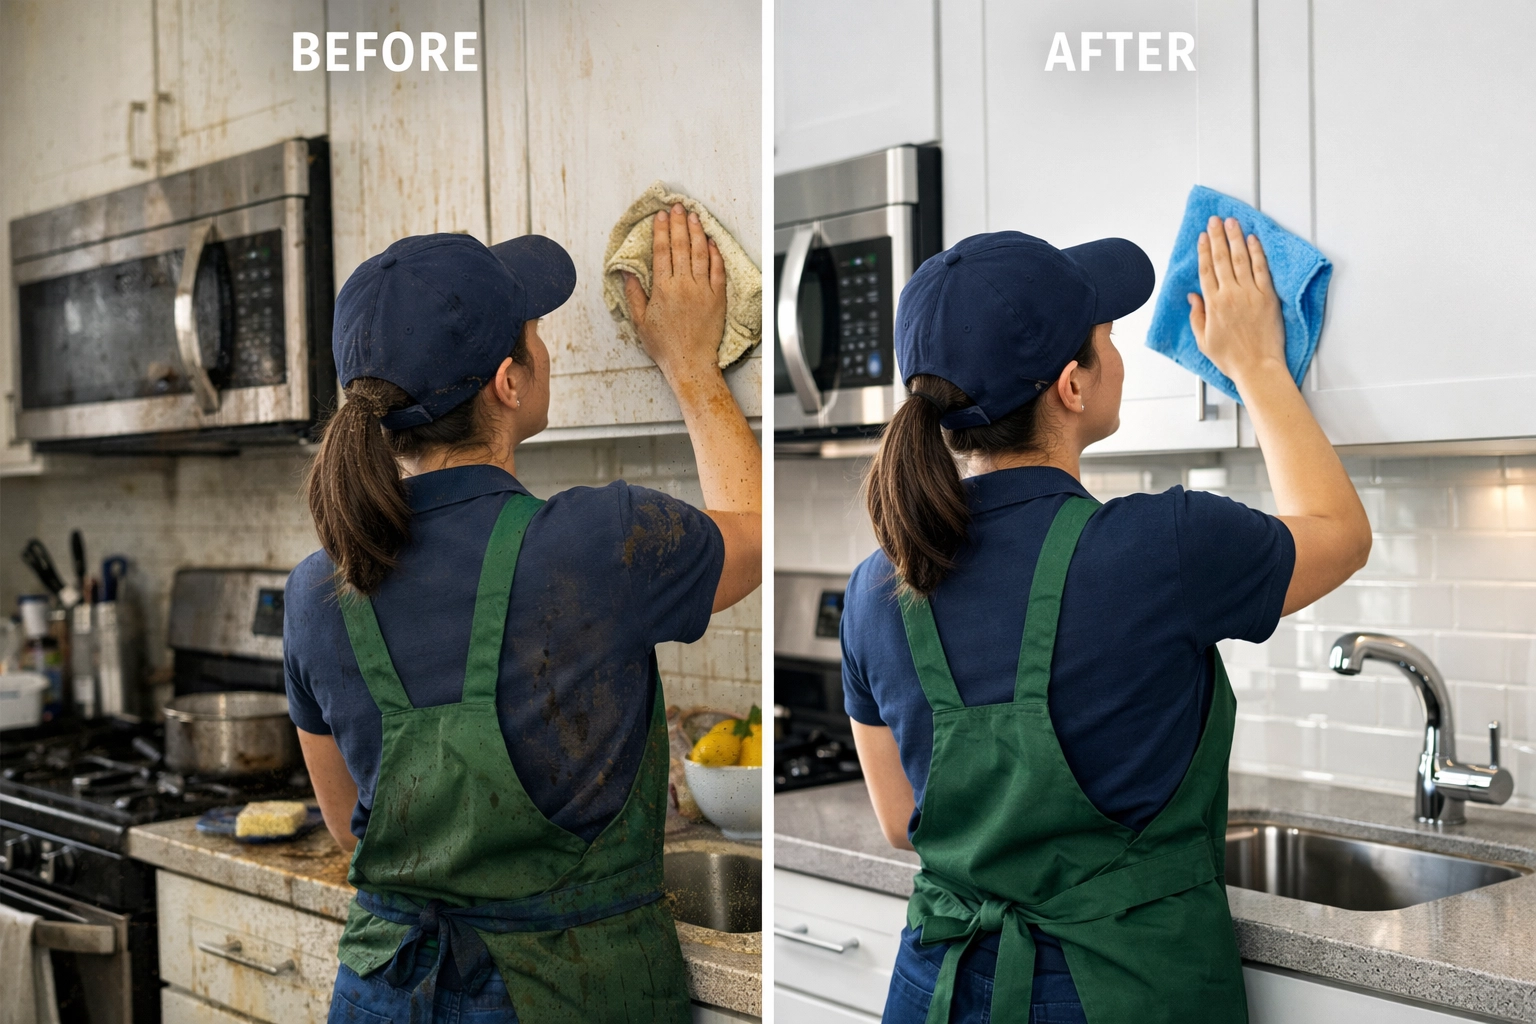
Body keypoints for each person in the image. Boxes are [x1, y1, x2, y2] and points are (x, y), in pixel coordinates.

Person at [841, 219, 1371, 1023]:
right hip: (1121, 990)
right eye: (1106, 337)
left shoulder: (876, 586)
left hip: (938, 992)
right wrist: (1259, 363)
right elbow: (1341, 532)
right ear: (1073, 386)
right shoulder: (1166, 547)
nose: (1116, 351)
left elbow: (897, 821)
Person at [283, 206, 761, 1023]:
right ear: (510, 381)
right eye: (533, 331)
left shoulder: (315, 589)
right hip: (563, 993)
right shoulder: (595, 540)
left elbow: (350, 828)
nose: (542, 347)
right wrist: (689, 364)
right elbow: (753, 535)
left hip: (386, 991)